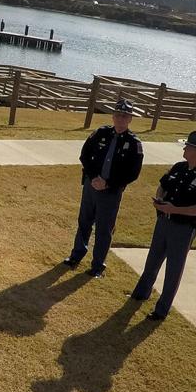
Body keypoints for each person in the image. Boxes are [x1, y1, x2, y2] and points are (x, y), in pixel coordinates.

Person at [129, 130, 196, 321]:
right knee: (152, 260)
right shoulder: (178, 167)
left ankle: (161, 310)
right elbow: (163, 185)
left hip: (183, 229)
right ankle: (140, 293)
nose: (185, 148)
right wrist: (160, 199)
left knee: (173, 270)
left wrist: (174, 209)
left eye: (189, 146)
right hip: (164, 221)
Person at [63, 97, 144, 279]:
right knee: (84, 222)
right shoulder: (100, 133)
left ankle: (98, 265)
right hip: (91, 186)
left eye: (125, 116)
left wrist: (108, 183)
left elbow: (133, 173)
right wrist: (93, 177)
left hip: (111, 191)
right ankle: (76, 256)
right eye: (118, 115)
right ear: (113, 116)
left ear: (130, 119)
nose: (120, 119)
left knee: (104, 228)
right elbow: (85, 155)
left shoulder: (133, 144)